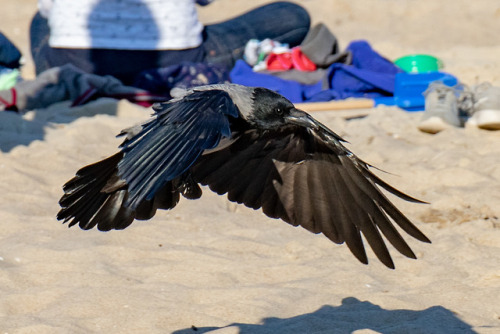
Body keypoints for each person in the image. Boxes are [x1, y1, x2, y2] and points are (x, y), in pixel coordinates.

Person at [30, 0, 310, 85]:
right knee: (291, 16)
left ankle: (51, 77)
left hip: (74, 61)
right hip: (177, 59)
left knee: (41, 22)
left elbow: (48, 8)